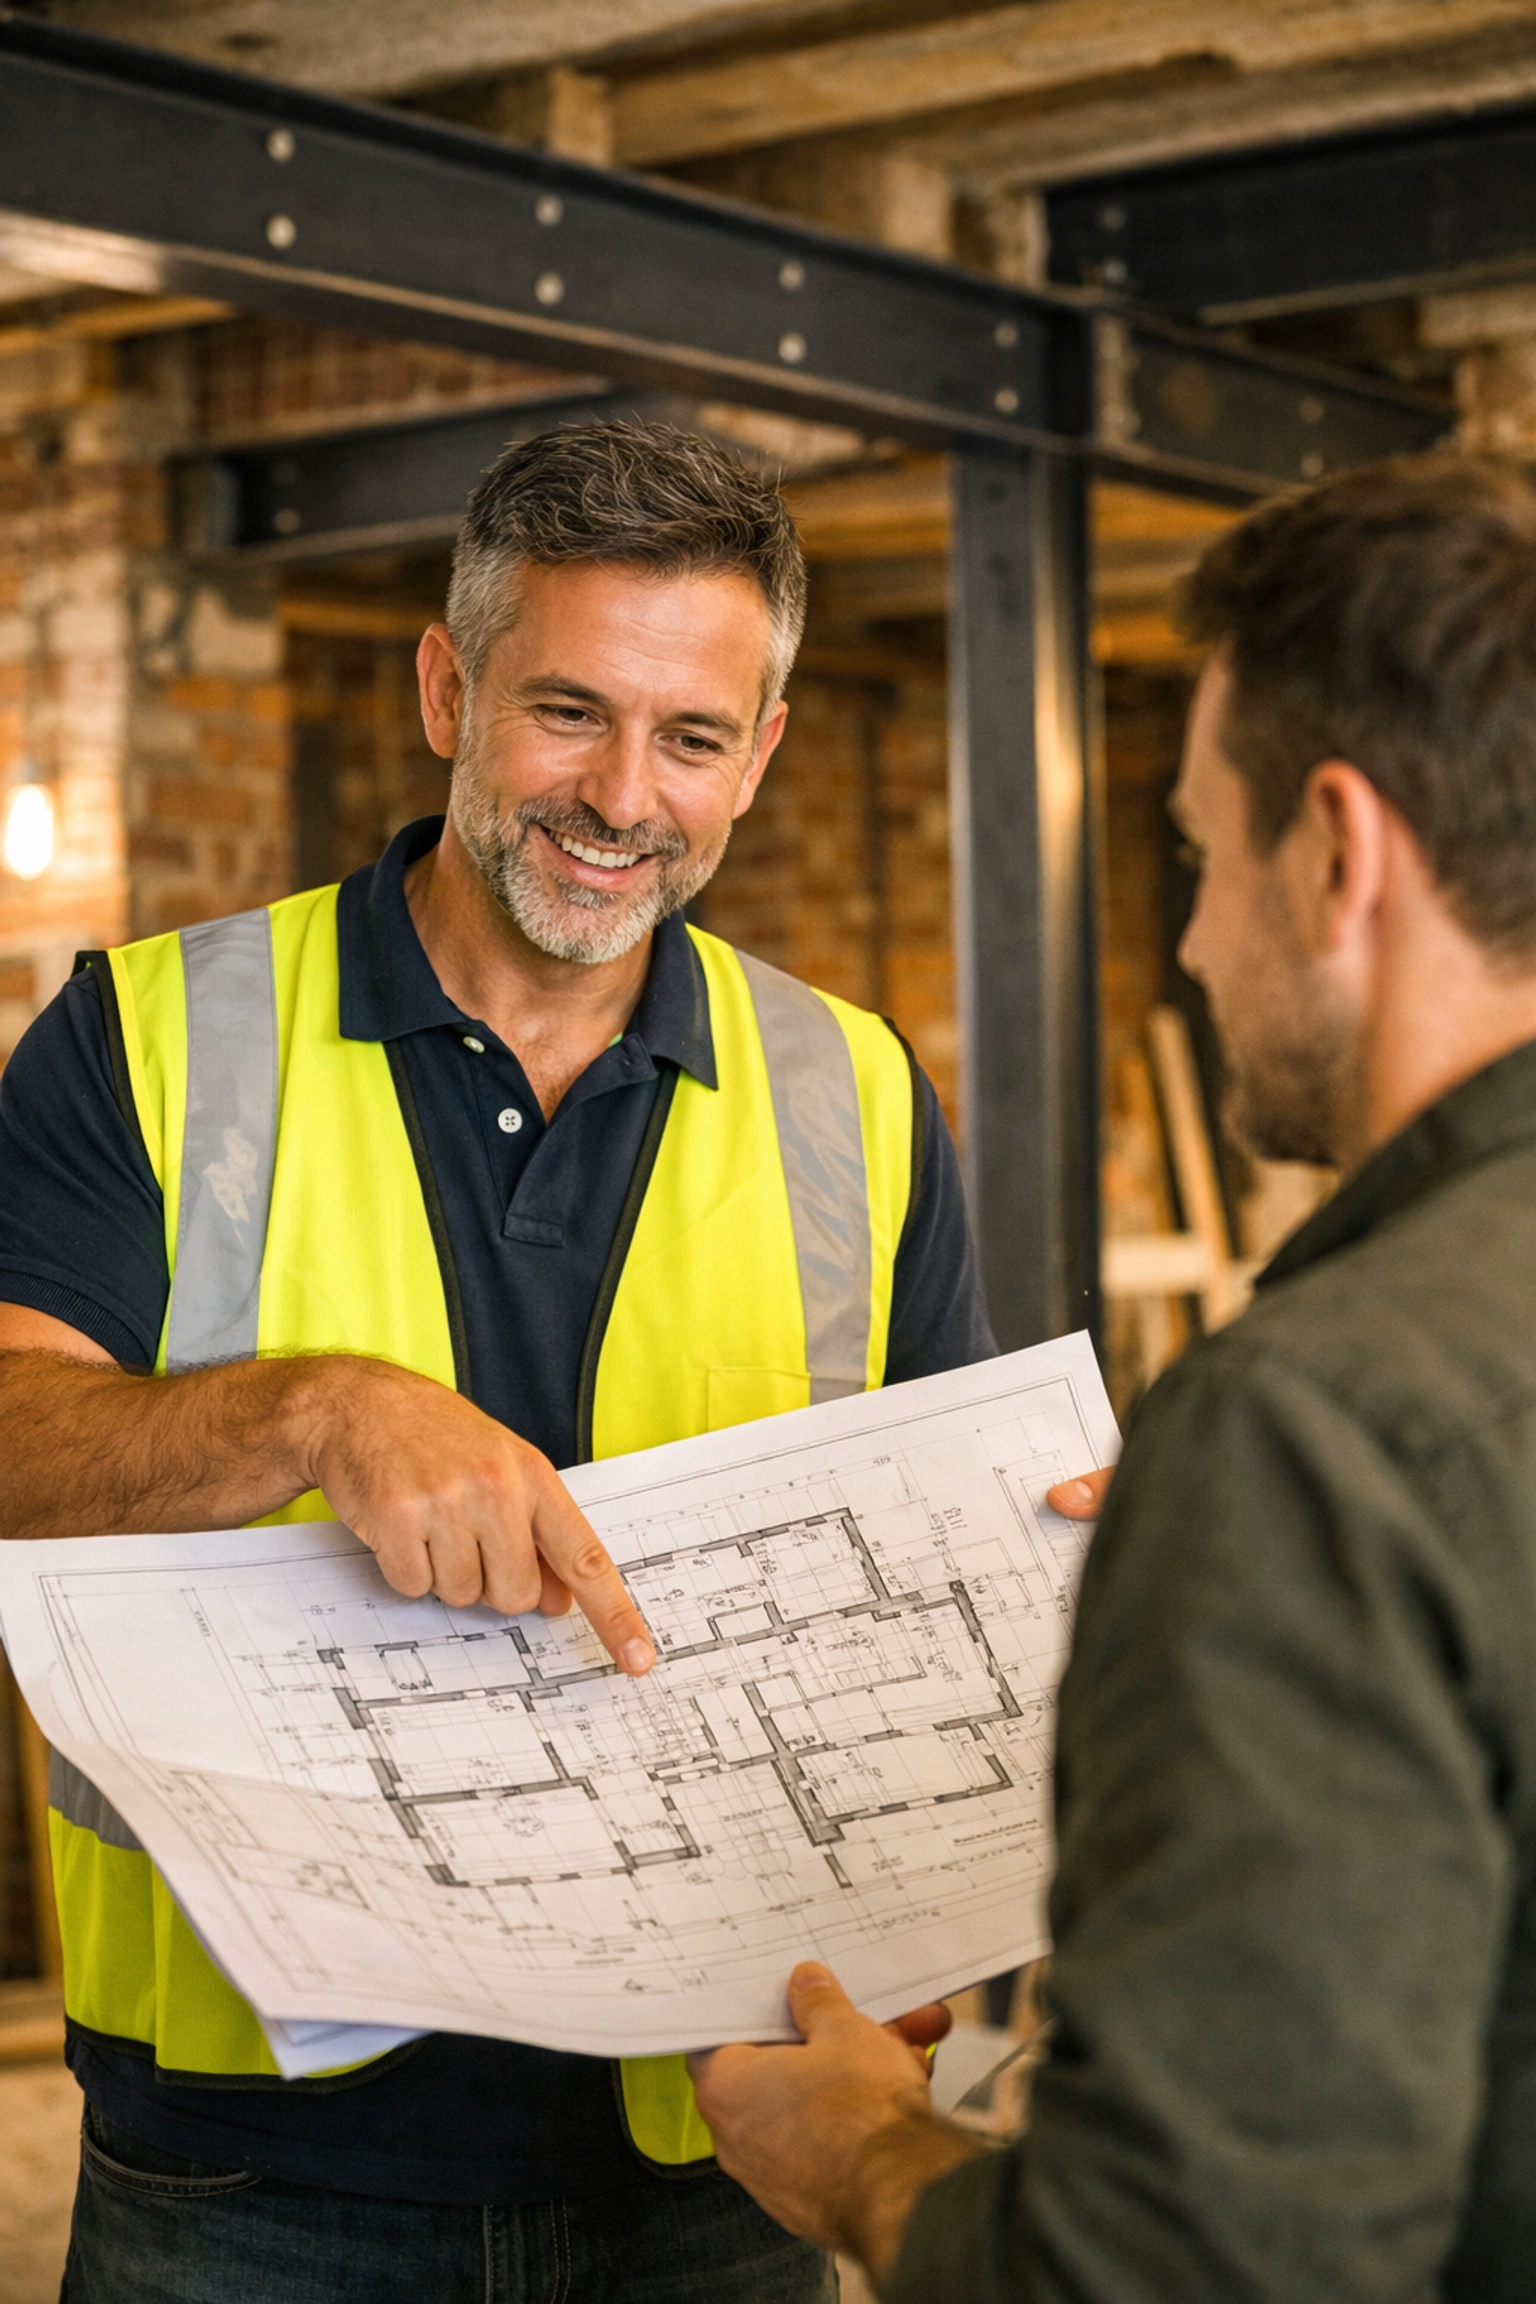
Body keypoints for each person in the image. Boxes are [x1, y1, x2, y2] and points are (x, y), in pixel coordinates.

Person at [0, 420, 1085, 2303]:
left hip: (717, 2144)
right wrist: (310, 1410)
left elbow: (932, 1584)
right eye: (567, 712)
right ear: (448, 687)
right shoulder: (149, 1038)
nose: (620, 798)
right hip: (253, 2165)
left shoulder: (858, 1094)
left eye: (688, 738)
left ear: (758, 754)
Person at [691, 453, 1536, 2304]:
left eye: (1204, 853)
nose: (1191, 938)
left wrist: (859, 2155)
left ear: (1336, 852)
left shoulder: (1312, 1430)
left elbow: (1188, 2265)